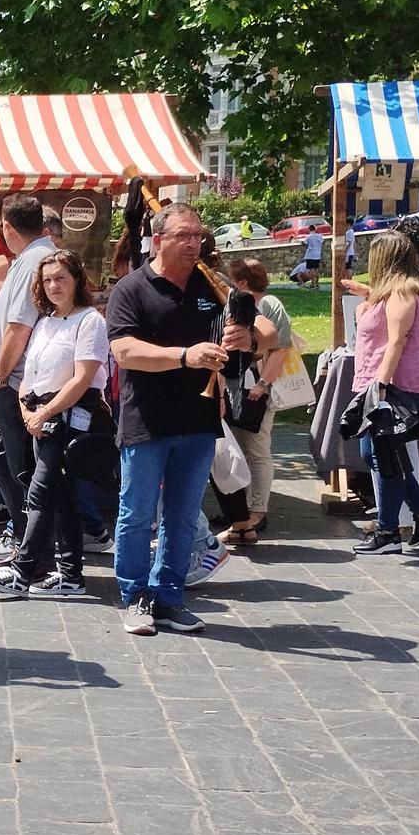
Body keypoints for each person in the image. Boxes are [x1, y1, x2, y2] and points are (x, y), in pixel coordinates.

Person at [107, 203, 251, 634]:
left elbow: (258, 334)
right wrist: (186, 357)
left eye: (198, 236)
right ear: (158, 240)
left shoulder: (212, 286)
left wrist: (243, 337)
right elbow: (124, 352)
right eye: (184, 236)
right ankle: (135, 598)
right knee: (136, 514)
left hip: (199, 418)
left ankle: (168, 596)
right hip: (147, 420)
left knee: (183, 515)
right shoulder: (131, 289)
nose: (194, 244)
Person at [0, 251, 108, 598]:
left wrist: (46, 411)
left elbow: (83, 378)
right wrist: (26, 410)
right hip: (41, 418)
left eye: (61, 278)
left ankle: (23, 568)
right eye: (48, 279)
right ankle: (70, 574)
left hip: (70, 419)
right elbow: (29, 376)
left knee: (39, 492)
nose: (54, 286)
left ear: (78, 280)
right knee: (62, 495)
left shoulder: (90, 321)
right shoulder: (46, 322)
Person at [349, 232, 419, 555]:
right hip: (385, 383)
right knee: (377, 454)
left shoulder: (404, 293)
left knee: (383, 456)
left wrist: (380, 384)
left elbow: (397, 341)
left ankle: (388, 530)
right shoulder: (395, 293)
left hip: (395, 385)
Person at [0, 196, 57, 564]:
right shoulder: (29, 261)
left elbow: (18, 328)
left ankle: (33, 541)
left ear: (7, 226)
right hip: (9, 379)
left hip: (15, 381)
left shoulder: (33, 262)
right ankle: (23, 532)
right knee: (0, 458)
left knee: (18, 464)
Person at [220, 258, 294, 543]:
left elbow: (280, 348)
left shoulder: (269, 305)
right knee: (239, 448)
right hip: (238, 386)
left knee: (258, 448)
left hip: (257, 387)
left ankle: (257, 511)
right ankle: (241, 510)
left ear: (240, 282)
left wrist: (263, 384)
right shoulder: (234, 304)